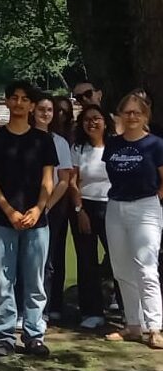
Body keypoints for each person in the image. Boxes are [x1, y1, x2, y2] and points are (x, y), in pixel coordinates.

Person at [0, 81, 56, 358]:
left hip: (37, 221)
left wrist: (38, 208)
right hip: (3, 219)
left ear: (32, 105)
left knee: (35, 280)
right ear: (7, 101)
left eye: (25, 99)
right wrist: (9, 209)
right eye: (14, 98)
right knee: (3, 280)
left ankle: (34, 333)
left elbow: (48, 181)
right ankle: (3, 334)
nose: (19, 103)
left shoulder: (43, 140)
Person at [102, 93, 163, 349]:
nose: (132, 116)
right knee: (121, 268)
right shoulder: (113, 144)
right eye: (127, 112)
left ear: (145, 116)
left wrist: (155, 200)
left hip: (146, 207)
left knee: (146, 267)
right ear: (120, 116)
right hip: (116, 206)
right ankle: (133, 325)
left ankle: (155, 327)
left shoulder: (155, 144)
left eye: (137, 112)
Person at [69, 104, 114, 330]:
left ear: (105, 121)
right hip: (85, 206)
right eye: (87, 119)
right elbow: (72, 182)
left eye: (97, 118)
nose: (92, 123)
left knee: (119, 258)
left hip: (113, 207)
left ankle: (127, 309)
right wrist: (79, 210)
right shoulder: (78, 148)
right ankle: (92, 311)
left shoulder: (116, 145)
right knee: (86, 261)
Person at [31, 95, 73, 322]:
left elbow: (64, 179)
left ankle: (43, 310)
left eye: (50, 110)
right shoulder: (24, 137)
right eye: (41, 109)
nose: (46, 114)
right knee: (25, 259)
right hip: (25, 204)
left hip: (51, 206)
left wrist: (46, 205)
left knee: (47, 260)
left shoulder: (59, 142)